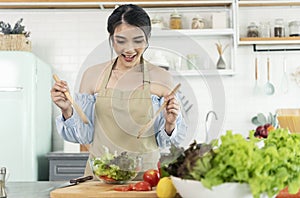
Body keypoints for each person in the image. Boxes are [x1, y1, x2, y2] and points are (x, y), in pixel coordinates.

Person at [51, 4, 187, 176]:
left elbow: (165, 140)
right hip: (100, 177)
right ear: (111, 39)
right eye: (121, 41)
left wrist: (170, 124)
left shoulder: (162, 78)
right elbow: (85, 136)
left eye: (137, 41)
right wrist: (67, 109)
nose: (129, 49)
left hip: (145, 178)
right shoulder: (92, 75)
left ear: (147, 39)